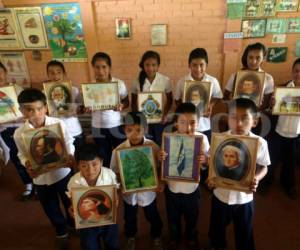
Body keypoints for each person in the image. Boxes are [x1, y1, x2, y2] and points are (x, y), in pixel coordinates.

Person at [13, 88, 75, 250]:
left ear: (46, 107)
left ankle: (73, 224)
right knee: (50, 206)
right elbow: (22, 154)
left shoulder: (58, 123)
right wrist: (26, 163)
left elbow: (69, 142)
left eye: (39, 109)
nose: (36, 114)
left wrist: (70, 155)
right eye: (29, 110)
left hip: (62, 173)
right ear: (22, 111)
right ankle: (61, 231)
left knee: (69, 200)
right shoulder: (19, 133)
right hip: (40, 178)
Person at [207, 98, 270, 250]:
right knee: (217, 228)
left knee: (244, 232)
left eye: (244, 119)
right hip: (220, 194)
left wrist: (256, 178)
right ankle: (216, 245)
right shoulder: (219, 139)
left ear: (254, 121)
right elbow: (211, 163)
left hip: (244, 199)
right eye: (234, 118)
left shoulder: (260, 142)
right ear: (228, 119)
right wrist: (210, 177)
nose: (239, 123)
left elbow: (264, 167)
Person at [159, 103, 209, 250]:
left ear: (199, 123)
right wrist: (160, 156)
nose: (188, 127)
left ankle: (191, 236)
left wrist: (205, 160)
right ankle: (174, 237)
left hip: (192, 189)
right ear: (176, 123)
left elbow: (208, 162)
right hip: (172, 188)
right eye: (182, 122)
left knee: (192, 216)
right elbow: (163, 161)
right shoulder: (168, 139)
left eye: (192, 123)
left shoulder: (202, 139)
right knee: (172, 217)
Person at [110, 112, 163, 250]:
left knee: (153, 215)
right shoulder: (118, 150)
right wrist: (119, 185)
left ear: (145, 129)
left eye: (138, 130)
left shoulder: (153, 147)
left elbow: (160, 167)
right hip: (129, 195)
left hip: (149, 192)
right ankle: (130, 236)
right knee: (129, 218)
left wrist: (160, 182)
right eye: (129, 130)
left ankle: (156, 235)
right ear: (124, 130)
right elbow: (114, 172)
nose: (134, 134)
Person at [67, 143, 119, 250]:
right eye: (84, 165)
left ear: (101, 162)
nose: (90, 170)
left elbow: (115, 193)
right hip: (86, 224)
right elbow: (72, 199)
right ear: (78, 165)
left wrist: (116, 200)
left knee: (112, 244)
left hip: (108, 220)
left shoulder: (110, 175)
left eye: (94, 164)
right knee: (89, 246)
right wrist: (72, 208)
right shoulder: (74, 181)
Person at [267, 58, 300, 199]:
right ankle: (267, 181)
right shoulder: (281, 89)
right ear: (292, 72)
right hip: (278, 131)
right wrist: (272, 104)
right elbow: (270, 110)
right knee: (272, 160)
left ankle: (288, 185)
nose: (299, 74)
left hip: (296, 134)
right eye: (297, 71)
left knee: (290, 162)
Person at [89, 52, 129, 167]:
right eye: (97, 67)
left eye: (104, 67)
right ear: (93, 68)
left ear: (109, 67)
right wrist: (86, 108)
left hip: (115, 125)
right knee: (103, 156)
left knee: (121, 155)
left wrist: (121, 105)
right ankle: (107, 180)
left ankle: (121, 179)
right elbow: (85, 106)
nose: (100, 71)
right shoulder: (89, 87)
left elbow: (127, 101)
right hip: (98, 127)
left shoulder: (119, 84)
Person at [0, 62, 33, 200]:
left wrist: (25, 114)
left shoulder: (16, 89)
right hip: (5, 130)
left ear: (5, 72)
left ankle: (40, 182)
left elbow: (28, 107)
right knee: (17, 158)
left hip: (22, 127)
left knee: (32, 154)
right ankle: (29, 185)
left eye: (0, 72)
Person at [175, 48, 223, 141]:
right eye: (194, 65)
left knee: (203, 151)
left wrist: (210, 105)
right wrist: (183, 109)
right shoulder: (182, 81)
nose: (198, 69)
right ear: (189, 65)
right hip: (186, 127)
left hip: (204, 125)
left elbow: (218, 96)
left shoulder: (212, 81)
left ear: (206, 65)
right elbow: (176, 99)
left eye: (201, 65)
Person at [131, 50, 173, 146]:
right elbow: (133, 103)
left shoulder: (165, 80)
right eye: (147, 65)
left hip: (160, 120)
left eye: (154, 65)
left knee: (160, 144)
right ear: (143, 65)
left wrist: (165, 114)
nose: (150, 68)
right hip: (144, 122)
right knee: (146, 145)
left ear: (158, 66)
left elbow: (170, 100)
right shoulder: (136, 81)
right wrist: (138, 119)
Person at [224, 42, 274, 112]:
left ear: (263, 59)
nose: (253, 61)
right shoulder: (235, 76)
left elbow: (267, 103)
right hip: (236, 114)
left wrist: (254, 111)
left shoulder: (268, 78)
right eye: (250, 57)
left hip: (255, 116)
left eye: (258, 58)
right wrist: (232, 102)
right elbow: (225, 97)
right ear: (246, 57)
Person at [46, 60, 84, 149]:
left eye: (59, 72)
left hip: (74, 130)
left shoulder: (74, 90)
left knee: (79, 157)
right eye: (52, 73)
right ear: (48, 75)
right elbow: (43, 113)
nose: (55, 76)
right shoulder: (44, 93)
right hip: (56, 132)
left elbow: (82, 108)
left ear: (64, 73)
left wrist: (77, 110)